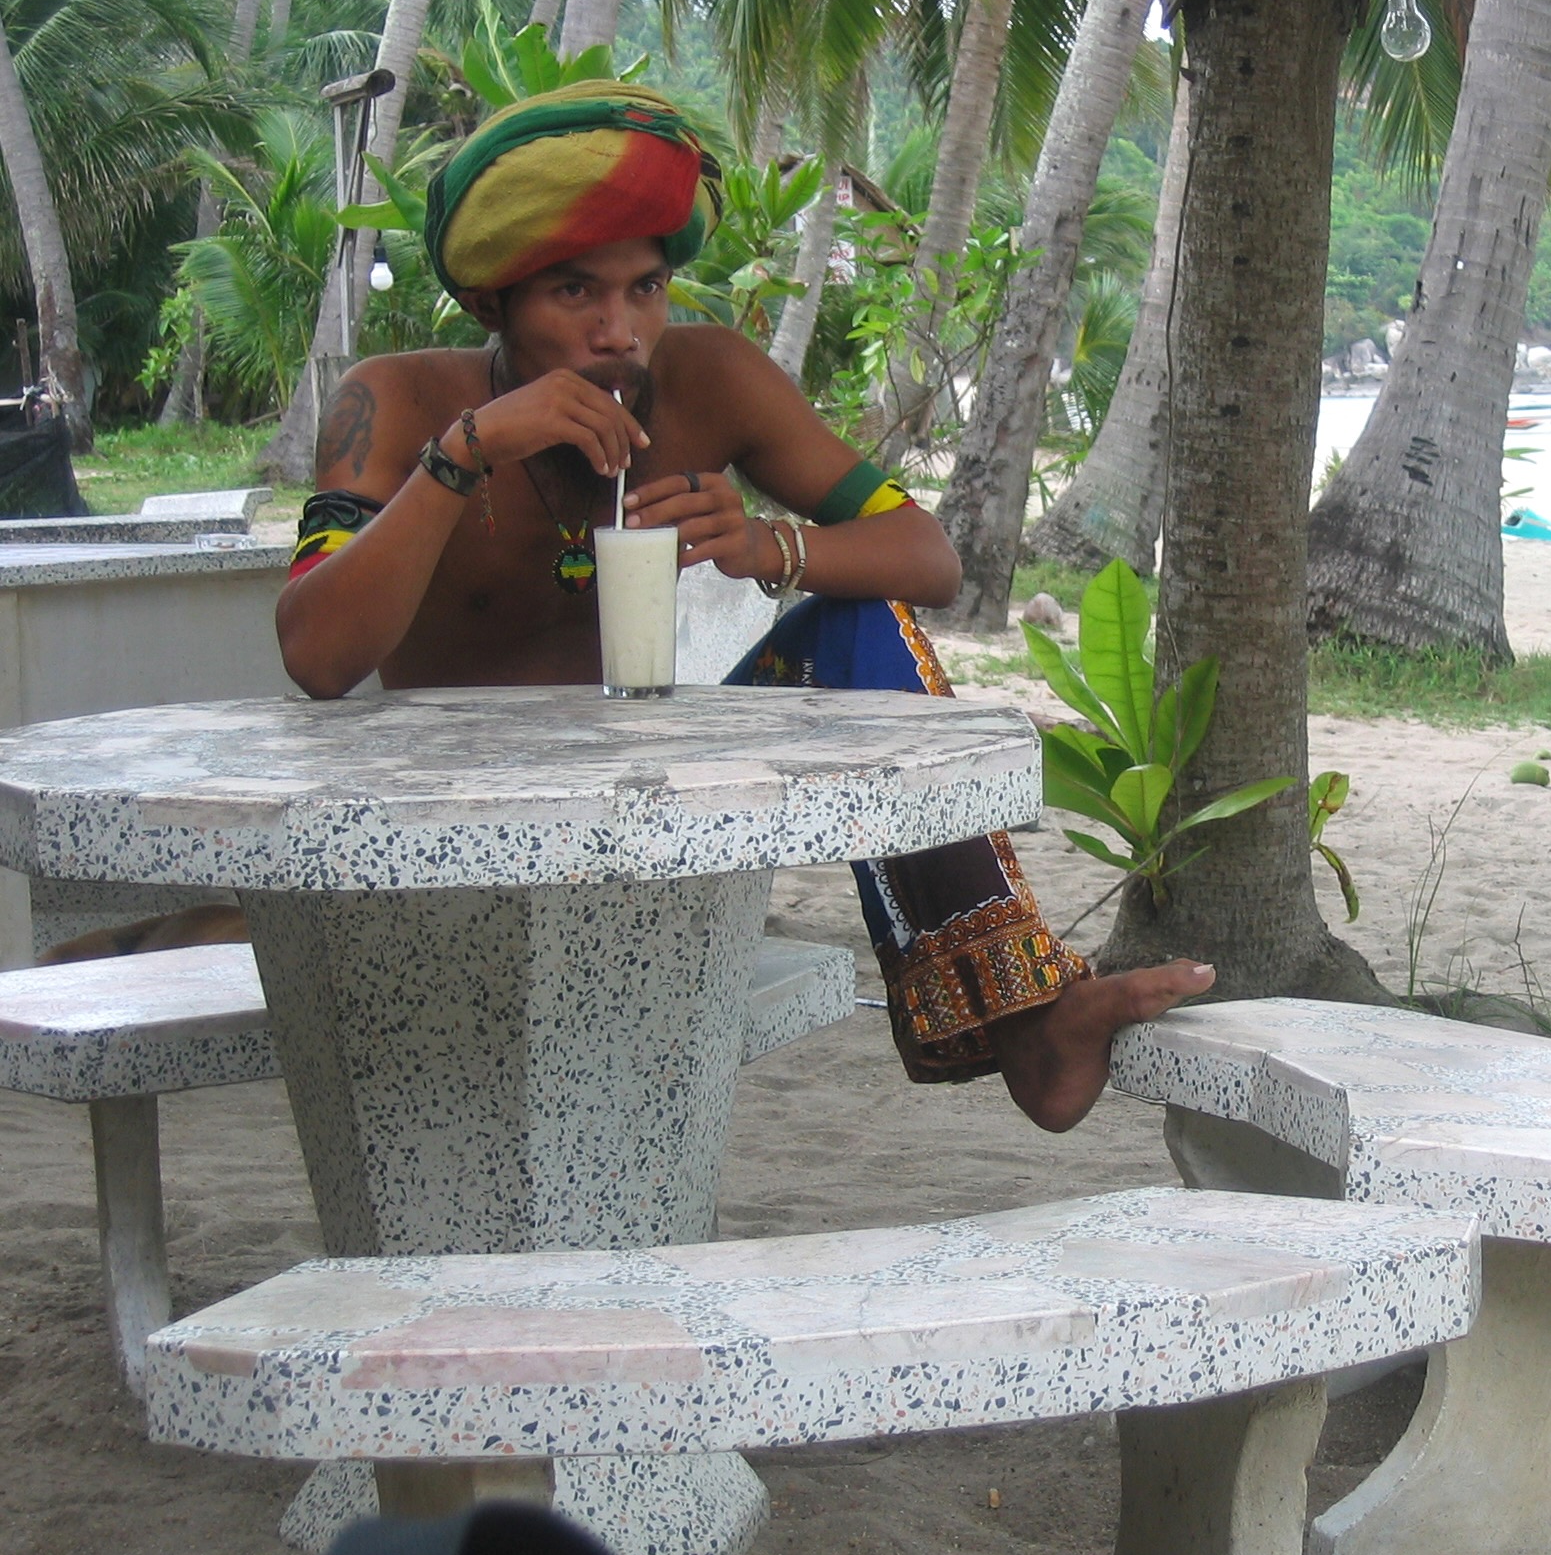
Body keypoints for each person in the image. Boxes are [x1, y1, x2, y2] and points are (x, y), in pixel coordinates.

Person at [275, 81, 1213, 1133]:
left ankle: (1025, 1020)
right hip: (452, 816)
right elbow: (317, 653)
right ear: (493, 302)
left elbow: (929, 557)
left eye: (646, 289)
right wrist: (467, 452)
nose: (619, 331)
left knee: (866, 623)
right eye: (573, 294)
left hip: (646, 781)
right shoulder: (395, 401)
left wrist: (777, 546)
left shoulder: (709, 378)